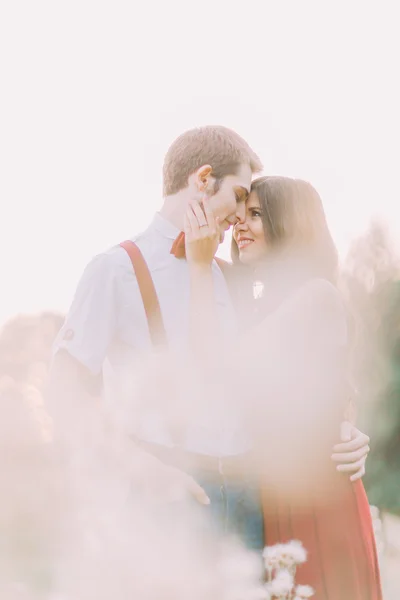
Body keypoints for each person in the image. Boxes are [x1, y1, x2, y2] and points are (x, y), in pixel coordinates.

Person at [47, 126, 370, 554]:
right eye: (238, 196)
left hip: (253, 497)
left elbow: (291, 372)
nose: (240, 216)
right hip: (166, 493)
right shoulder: (115, 269)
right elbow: (63, 394)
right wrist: (145, 471)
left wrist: (345, 427)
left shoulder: (234, 277)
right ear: (202, 180)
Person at [184, 175, 382, 598]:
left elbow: (216, 368)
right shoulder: (262, 307)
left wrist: (199, 266)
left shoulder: (316, 295)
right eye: (240, 214)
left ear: (290, 222)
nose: (241, 224)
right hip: (279, 497)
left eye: (256, 214)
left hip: (317, 500)